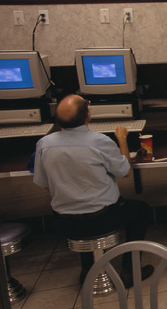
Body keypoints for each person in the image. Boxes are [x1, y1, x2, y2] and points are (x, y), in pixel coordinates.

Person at [33, 94, 153, 286]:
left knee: (82, 214)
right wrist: (122, 139)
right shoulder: (99, 142)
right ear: (88, 116)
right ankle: (129, 271)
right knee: (141, 210)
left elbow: (45, 185)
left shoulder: (44, 144)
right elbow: (125, 171)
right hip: (102, 219)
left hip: (64, 223)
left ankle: (88, 271)